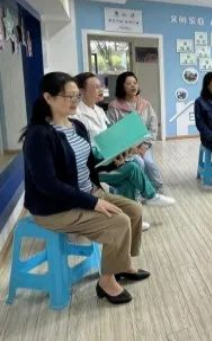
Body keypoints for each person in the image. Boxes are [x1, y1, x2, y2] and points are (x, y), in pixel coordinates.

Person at [21, 72, 149, 305]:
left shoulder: (77, 126)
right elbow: (47, 184)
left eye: (76, 96)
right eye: (68, 96)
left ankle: (122, 265)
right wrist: (93, 202)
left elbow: (89, 164)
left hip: (87, 192)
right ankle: (106, 281)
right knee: (118, 222)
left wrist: (114, 160)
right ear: (48, 98)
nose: (74, 101)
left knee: (134, 210)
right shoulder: (38, 135)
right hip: (56, 207)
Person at [74, 73, 174, 220]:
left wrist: (123, 151)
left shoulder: (99, 111)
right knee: (133, 167)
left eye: (101, 86)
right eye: (96, 87)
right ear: (81, 91)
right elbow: (87, 147)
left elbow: (111, 135)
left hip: (112, 158)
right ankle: (150, 197)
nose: (100, 89)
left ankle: (132, 217)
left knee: (133, 171)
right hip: (95, 168)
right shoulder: (77, 115)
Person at [107, 72, 164, 192]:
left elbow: (153, 126)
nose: (133, 86)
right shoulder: (114, 106)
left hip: (144, 144)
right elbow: (112, 131)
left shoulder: (145, 104)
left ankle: (157, 187)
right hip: (125, 149)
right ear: (121, 86)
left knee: (149, 162)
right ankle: (139, 191)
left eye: (135, 83)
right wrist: (130, 148)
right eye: (128, 83)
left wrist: (145, 145)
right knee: (139, 163)